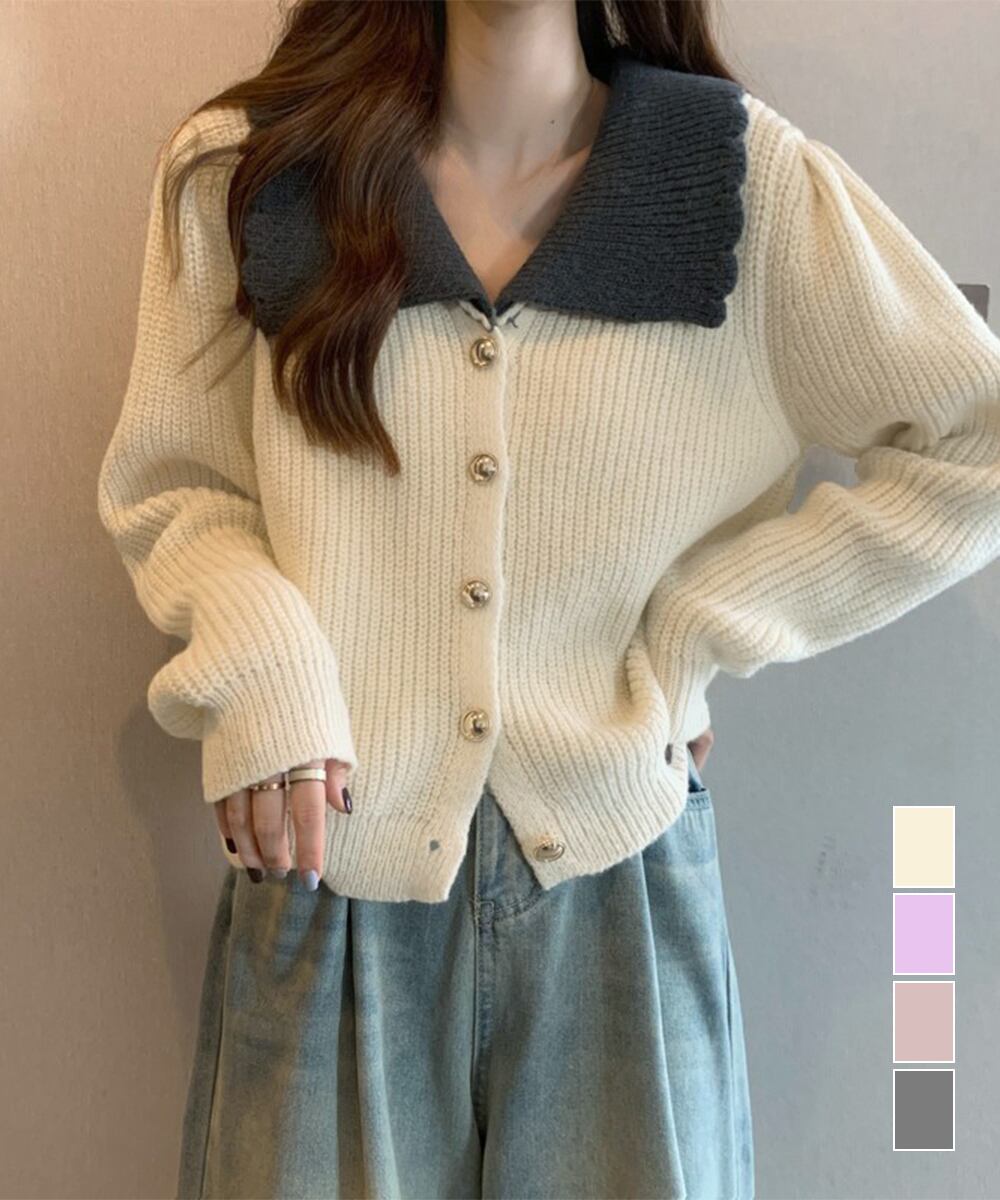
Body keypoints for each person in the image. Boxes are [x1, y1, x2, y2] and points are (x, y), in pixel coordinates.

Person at [96, 0, 1000, 1196]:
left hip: (616, 876)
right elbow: (178, 484)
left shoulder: (731, 182)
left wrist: (693, 632)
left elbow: (973, 441)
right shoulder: (253, 173)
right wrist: (265, 669)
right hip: (329, 858)